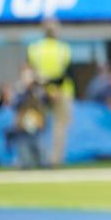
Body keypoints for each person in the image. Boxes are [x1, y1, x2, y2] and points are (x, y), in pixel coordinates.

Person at [26, 19, 74, 167]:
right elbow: (66, 73)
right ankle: (54, 160)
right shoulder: (63, 48)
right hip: (61, 92)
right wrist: (55, 90)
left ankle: (37, 158)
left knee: (37, 125)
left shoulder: (34, 48)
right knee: (59, 127)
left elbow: (31, 72)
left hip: (42, 91)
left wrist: (47, 88)